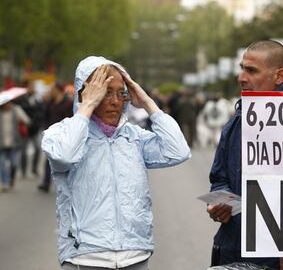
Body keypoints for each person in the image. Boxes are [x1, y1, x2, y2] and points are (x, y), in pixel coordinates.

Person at [41, 56, 191, 270]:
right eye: (105, 91)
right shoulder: (62, 133)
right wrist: (87, 106)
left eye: (121, 93)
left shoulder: (134, 137)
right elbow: (64, 156)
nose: (115, 101)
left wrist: (149, 103)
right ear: (86, 92)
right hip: (84, 257)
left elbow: (178, 151)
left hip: (135, 255)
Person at [206, 40, 283, 270]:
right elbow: (220, 179)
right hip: (237, 250)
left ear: (279, 76)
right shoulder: (235, 124)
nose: (241, 77)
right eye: (241, 68)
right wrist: (219, 205)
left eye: (251, 70)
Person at [37, 82, 73, 193]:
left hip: (63, 135)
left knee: (63, 160)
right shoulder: (50, 102)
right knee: (48, 159)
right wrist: (46, 129)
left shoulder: (68, 103)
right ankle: (46, 183)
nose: (51, 91)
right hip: (51, 135)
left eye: (53, 89)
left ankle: (66, 185)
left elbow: (71, 119)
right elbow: (45, 116)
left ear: (58, 90)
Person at [0, 100, 30, 191]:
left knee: (14, 164)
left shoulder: (16, 110)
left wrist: (21, 120)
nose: (7, 104)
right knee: (2, 164)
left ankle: (12, 179)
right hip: (1, 144)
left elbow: (27, 121)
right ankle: (5, 183)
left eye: (8, 102)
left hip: (14, 143)